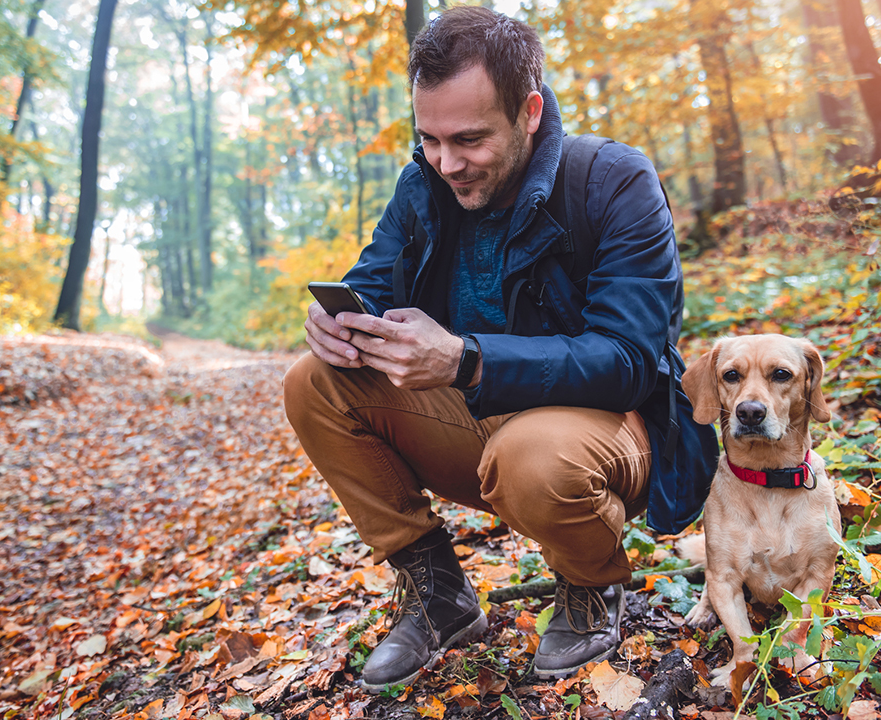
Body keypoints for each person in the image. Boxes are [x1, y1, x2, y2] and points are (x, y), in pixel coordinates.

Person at [283, 5, 718, 693]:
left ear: (530, 111)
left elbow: (632, 359)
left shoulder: (613, 181)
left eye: (469, 140)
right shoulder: (422, 184)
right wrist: (340, 322)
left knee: (534, 456)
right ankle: (439, 596)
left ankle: (590, 587)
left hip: (610, 430)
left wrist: (466, 360)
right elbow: (370, 281)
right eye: (429, 138)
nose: (447, 162)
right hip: (479, 417)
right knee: (313, 382)